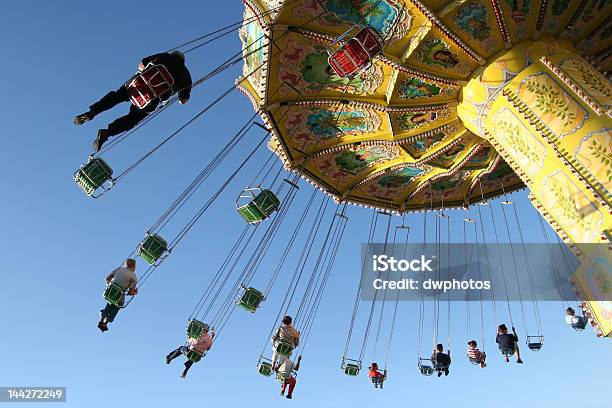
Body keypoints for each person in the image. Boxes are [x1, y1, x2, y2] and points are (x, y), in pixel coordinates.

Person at [73, 50, 192, 152]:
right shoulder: (187, 76)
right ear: (183, 62)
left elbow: (141, 65)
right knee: (132, 119)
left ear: (174, 54)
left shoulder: (165, 56)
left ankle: (91, 113)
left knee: (116, 97)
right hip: (151, 99)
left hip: (136, 85)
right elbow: (183, 100)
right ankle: (107, 133)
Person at [98, 258, 137, 332]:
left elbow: (107, 279)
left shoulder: (118, 269)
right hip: (119, 297)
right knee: (116, 307)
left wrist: (111, 283)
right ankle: (106, 322)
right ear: (133, 267)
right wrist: (135, 292)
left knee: (109, 303)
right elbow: (130, 292)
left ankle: (101, 320)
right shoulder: (134, 277)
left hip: (110, 293)